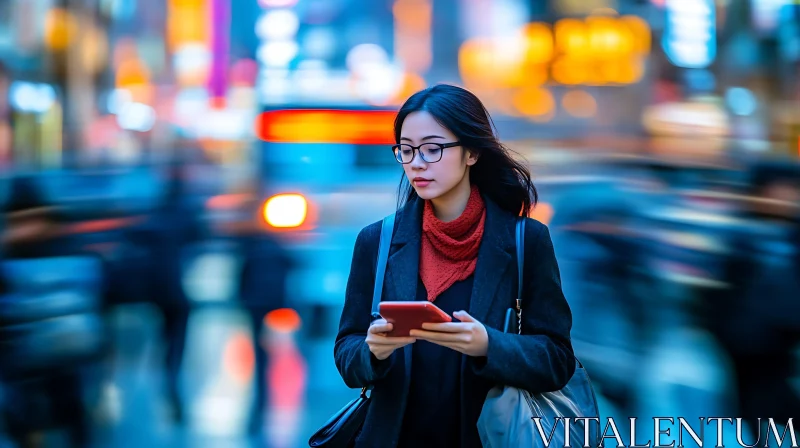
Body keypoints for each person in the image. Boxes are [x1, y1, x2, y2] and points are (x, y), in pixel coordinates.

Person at [334, 84, 576, 448]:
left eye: (432, 149)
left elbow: (557, 360)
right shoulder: (377, 241)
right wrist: (373, 351)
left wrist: (488, 345)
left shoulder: (525, 241)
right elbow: (346, 352)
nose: (417, 163)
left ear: (472, 152)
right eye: (406, 149)